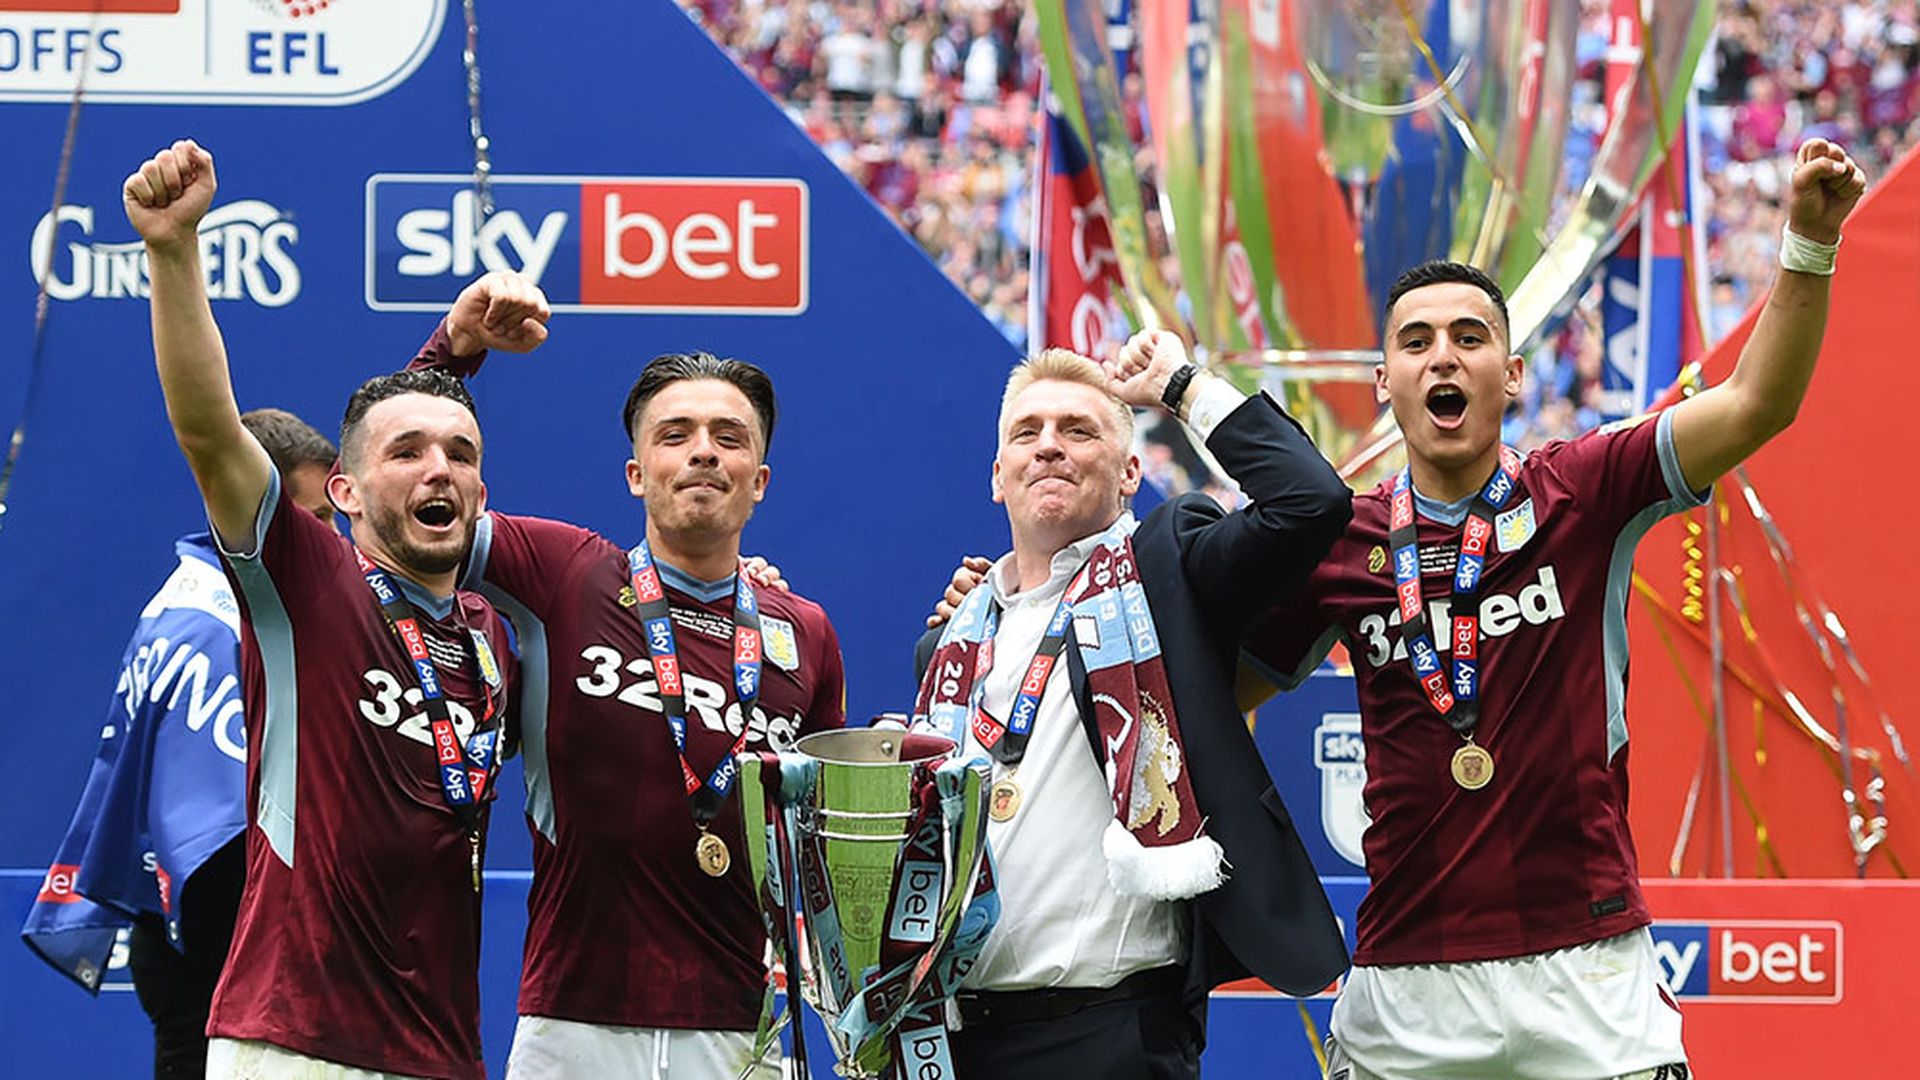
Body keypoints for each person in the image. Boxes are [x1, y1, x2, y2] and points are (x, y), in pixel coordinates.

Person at [1240, 138, 1867, 1080]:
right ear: (1384, 383)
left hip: (1589, 981)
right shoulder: (1340, 543)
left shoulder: (1587, 489)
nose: (1441, 357)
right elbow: (1212, 702)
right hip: (1407, 988)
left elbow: (1755, 404)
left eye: (1468, 337)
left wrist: (1809, 242)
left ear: (1515, 372)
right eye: (1415, 343)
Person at [124, 139, 533, 1080]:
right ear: (340, 495)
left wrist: (451, 356)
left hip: (443, 1052)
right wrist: (174, 250)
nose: (441, 470)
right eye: (411, 456)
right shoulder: (305, 587)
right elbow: (209, 431)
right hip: (293, 1042)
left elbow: (403, 432)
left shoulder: (492, 638)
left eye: (463, 456)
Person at [411, 293, 847, 1079]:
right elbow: (398, 500)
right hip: (571, 1023)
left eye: (729, 438)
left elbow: (816, 846)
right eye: (675, 436)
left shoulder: (805, 633)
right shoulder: (564, 575)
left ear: (760, 480)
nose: (704, 453)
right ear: (637, 473)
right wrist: (453, 351)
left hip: (742, 1032)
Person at [909, 333, 1352, 1079]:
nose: (1049, 447)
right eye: (1028, 432)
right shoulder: (950, 643)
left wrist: (1181, 387)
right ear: (998, 476)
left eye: (1079, 431)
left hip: (1112, 1034)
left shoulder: (1167, 569)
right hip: (953, 1037)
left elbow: (1311, 501)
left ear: (1129, 474)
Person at [21, 409, 336, 1080]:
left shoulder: (190, 592)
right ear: (257, 508)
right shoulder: (219, 625)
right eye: (318, 519)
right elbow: (216, 839)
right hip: (220, 955)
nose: (336, 538)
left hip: (176, 942)